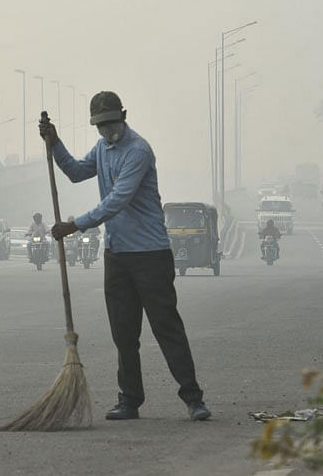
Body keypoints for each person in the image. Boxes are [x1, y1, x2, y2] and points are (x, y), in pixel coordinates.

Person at [39, 91, 210, 421]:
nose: (106, 131)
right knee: (124, 333)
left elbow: (117, 200)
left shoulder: (137, 150)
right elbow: (75, 171)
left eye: (110, 124)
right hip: (117, 254)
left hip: (150, 254)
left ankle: (193, 398)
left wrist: (75, 225)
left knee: (166, 328)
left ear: (124, 116)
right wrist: (55, 143)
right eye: (100, 126)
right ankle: (129, 399)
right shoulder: (103, 149)